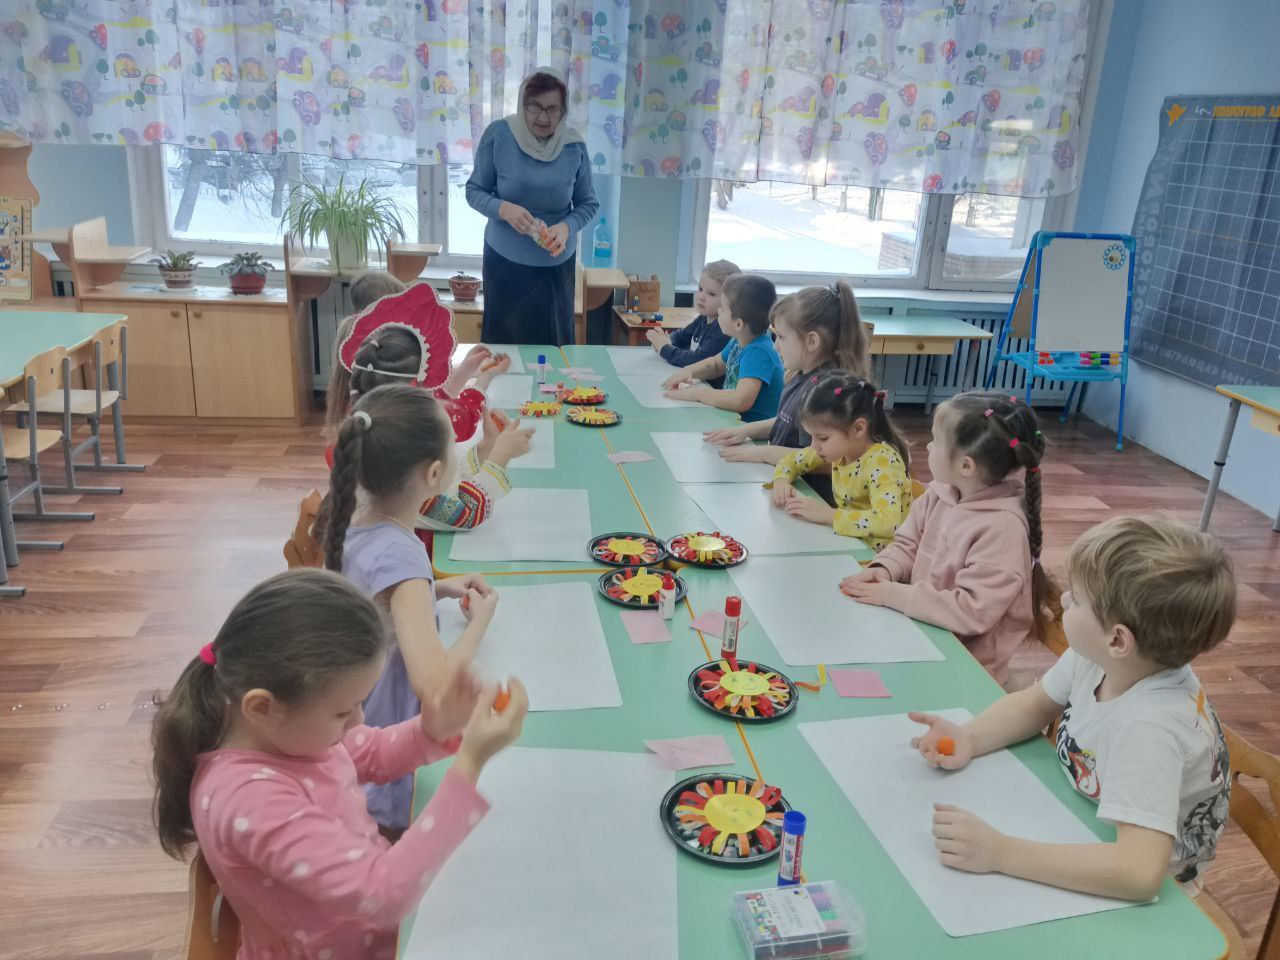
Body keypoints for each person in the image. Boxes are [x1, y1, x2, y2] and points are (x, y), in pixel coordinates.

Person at [151, 568, 528, 960]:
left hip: (368, 919)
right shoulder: (249, 800)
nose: (359, 720)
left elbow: (374, 752)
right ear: (262, 707)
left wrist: (434, 729)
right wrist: (470, 764)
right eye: (343, 712)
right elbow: (382, 895)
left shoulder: (289, 734)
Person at [910, 516, 1234, 901]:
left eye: (1077, 598)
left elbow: (1138, 873)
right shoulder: (1101, 658)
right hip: (1083, 819)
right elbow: (1035, 704)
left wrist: (1002, 853)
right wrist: (970, 737)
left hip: (1147, 888)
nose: (1063, 600)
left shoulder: (1150, 731)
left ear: (1118, 640)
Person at [325, 384, 500, 829]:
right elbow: (436, 688)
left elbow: (372, 598)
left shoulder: (353, 517)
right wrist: (478, 624)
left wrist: (431, 590)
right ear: (435, 473)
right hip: (388, 758)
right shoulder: (401, 555)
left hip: (357, 727)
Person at [840, 392, 1053, 683]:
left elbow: (971, 611)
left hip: (967, 669)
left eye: (936, 441)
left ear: (966, 466)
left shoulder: (1003, 529)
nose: (928, 446)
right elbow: (907, 544)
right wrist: (884, 569)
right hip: (920, 633)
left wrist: (892, 594)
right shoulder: (939, 494)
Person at [466, 68, 600, 345]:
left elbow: (588, 203)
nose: (543, 118)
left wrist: (566, 228)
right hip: (504, 263)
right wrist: (504, 209)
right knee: (503, 349)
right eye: (535, 107)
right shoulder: (499, 136)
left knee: (554, 349)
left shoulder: (574, 147)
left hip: (556, 267)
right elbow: (474, 191)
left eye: (553, 110)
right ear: (521, 103)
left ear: (564, 110)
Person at [704, 279, 870, 501]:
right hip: (790, 483)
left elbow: (827, 461)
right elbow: (788, 421)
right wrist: (746, 430)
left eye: (781, 337)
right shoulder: (801, 375)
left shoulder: (826, 391)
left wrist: (765, 452)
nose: (775, 346)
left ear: (812, 341)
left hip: (813, 496)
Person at [766, 373, 911, 551]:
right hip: (849, 544)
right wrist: (781, 481)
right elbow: (791, 461)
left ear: (858, 429)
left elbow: (888, 522)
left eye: (822, 438)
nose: (814, 446)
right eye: (811, 436)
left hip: (877, 558)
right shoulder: (839, 449)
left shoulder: (883, 462)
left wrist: (828, 514)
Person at [660, 274, 782, 422]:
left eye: (722, 309)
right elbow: (716, 365)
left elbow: (740, 400)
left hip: (749, 429)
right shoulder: (739, 339)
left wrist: (697, 394)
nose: (718, 312)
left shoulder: (759, 352)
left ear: (738, 324)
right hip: (730, 419)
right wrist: (688, 371)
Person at [647, 259, 740, 385]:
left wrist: (664, 348)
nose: (701, 297)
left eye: (711, 294)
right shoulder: (703, 318)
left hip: (710, 389)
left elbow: (697, 361)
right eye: (700, 289)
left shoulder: (723, 330)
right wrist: (667, 341)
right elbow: (681, 335)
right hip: (696, 383)